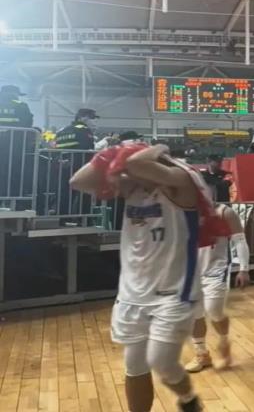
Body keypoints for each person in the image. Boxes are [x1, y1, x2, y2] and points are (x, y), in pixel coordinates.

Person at [69, 144, 204, 412]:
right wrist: (108, 153)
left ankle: (188, 398)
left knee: (162, 362)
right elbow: (78, 181)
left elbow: (137, 164)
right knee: (134, 366)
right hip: (132, 294)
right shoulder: (132, 189)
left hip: (174, 293)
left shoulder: (182, 181)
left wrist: (156, 146)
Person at [185, 204, 250, 373]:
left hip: (216, 269)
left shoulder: (224, 212)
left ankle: (224, 340)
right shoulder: (182, 211)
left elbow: (240, 240)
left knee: (213, 310)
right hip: (190, 271)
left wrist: (244, 269)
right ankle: (201, 354)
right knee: (195, 314)